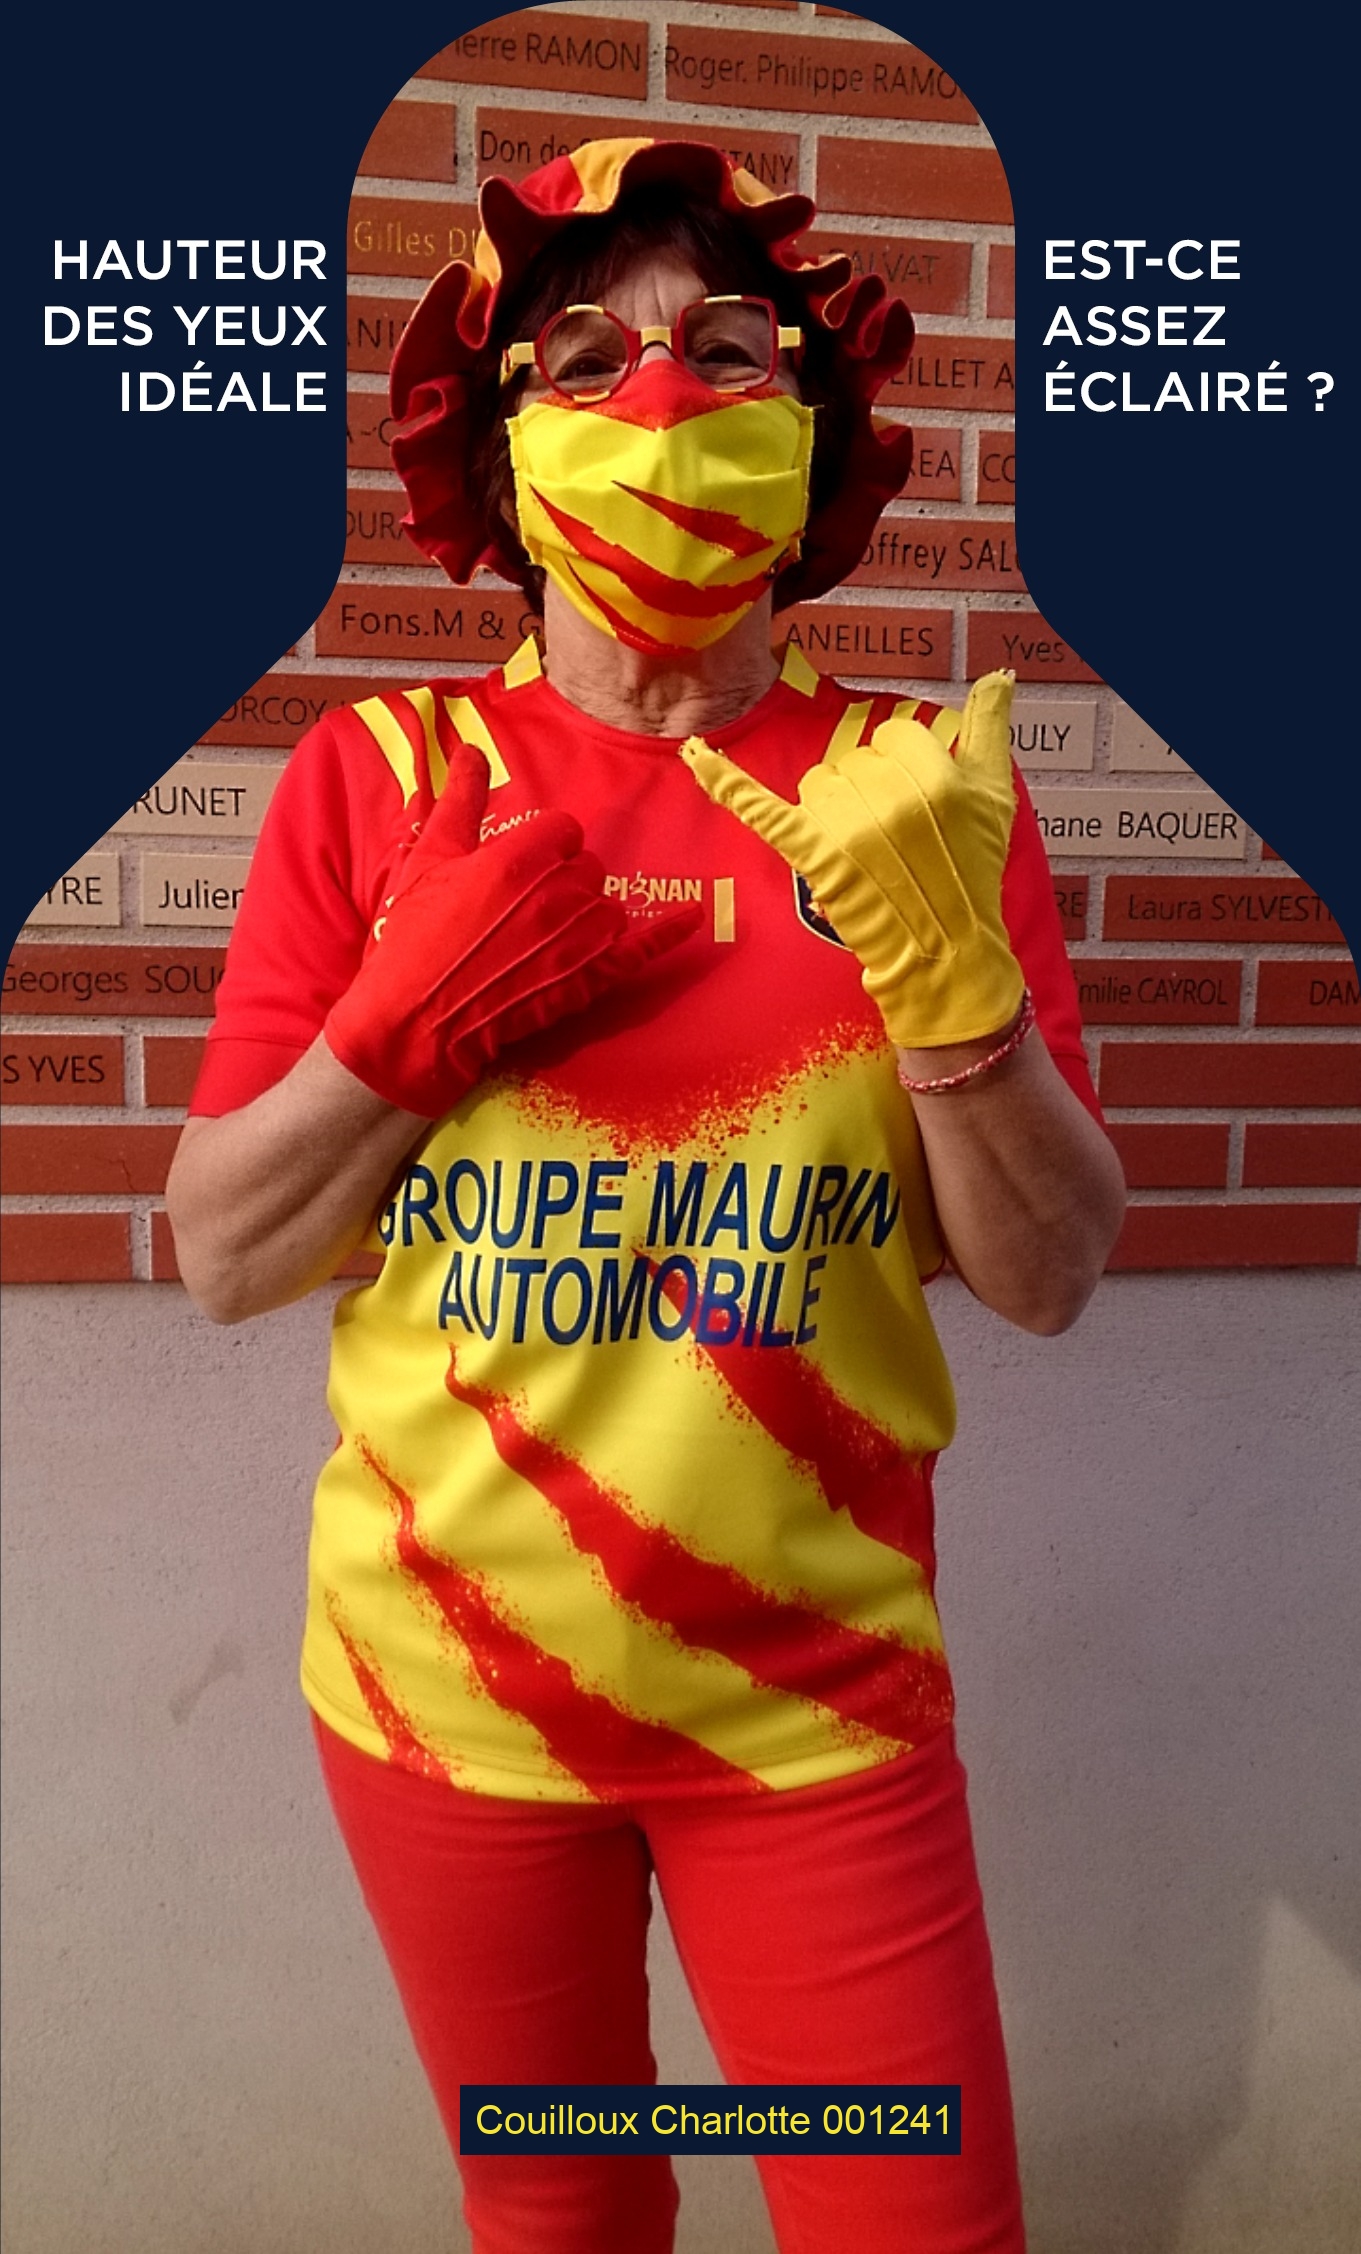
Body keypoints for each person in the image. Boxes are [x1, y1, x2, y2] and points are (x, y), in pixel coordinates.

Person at [166, 137, 1126, 2254]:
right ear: (503, 457)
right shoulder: (382, 782)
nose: (665, 397)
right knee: (568, 2208)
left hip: (818, 1708)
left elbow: (1048, 1273)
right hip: (442, 1700)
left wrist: (952, 995)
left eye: (732, 350)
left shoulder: (919, 791)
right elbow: (225, 1251)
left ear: (814, 429)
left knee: (915, 2226)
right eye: (585, 359)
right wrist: (394, 1037)